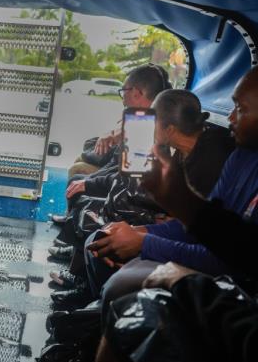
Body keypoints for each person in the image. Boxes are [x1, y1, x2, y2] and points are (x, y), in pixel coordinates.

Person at [93, 66, 258, 362]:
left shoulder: (214, 156)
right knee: (107, 245)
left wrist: (147, 241)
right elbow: (215, 228)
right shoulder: (241, 158)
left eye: (241, 108)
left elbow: (238, 260)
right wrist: (145, 231)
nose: (232, 118)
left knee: (122, 295)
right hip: (221, 267)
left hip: (239, 289)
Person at [84, 89, 236, 301]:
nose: (147, 124)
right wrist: (140, 231)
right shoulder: (183, 150)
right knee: (102, 237)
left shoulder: (210, 163)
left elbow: (202, 231)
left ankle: (97, 309)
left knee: (105, 248)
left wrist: (143, 240)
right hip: (171, 228)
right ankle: (93, 303)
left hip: (197, 253)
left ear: (170, 129)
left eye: (152, 120)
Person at [50, 64, 173, 302]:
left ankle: (85, 288)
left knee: (88, 210)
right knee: (86, 202)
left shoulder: (144, 126)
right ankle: (82, 276)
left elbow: (132, 185)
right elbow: (127, 178)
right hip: (142, 203)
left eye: (124, 90)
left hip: (144, 209)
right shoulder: (143, 122)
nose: (122, 96)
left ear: (137, 92)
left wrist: (92, 188)